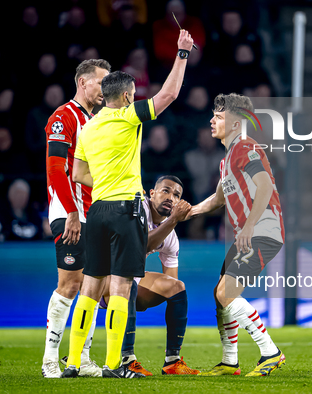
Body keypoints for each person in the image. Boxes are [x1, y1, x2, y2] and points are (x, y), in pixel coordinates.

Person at [62, 29, 194, 379]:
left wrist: (105, 181)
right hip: (125, 210)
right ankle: (113, 365)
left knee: (90, 287)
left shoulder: (88, 128)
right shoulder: (127, 116)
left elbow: (77, 173)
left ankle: (73, 362)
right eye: (133, 95)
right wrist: (182, 54)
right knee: (121, 287)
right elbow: (169, 94)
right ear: (125, 95)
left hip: (98, 210)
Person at [62, 176, 199, 375]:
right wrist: (173, 220)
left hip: (128, 284)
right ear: (151, 194)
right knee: (128, 280)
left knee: (176, 286)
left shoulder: (171, 236)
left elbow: (171, 282)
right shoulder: (136, 210)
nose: (171, 197)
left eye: (176, 195)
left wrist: (150, 297)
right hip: (102, 280)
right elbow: (141, 244)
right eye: (165, 191)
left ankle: (172, 361)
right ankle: (127, 359)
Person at [190, 93, 286, 377]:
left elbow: (265, 186)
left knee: (226, 293)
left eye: (218, 117)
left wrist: (248, 226)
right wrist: (189, 212)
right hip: (247, 235)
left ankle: (271, 353)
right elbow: (218, 199)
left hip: (262, 232)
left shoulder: (246, 147)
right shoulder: (227, 159)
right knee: (220, 294)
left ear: (235, 123)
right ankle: (230, 362)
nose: (212, 120)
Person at [41, 59, 111, 378]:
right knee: (69, 284)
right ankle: (50, 361)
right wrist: (71, 211)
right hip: (70, 212)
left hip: (91, 213)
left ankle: (80, 358)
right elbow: (57, 168)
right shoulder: (63, 117)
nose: (105, 89)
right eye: (101, 82)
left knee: (92, 287)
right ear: (83, 83)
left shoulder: (92, 120)